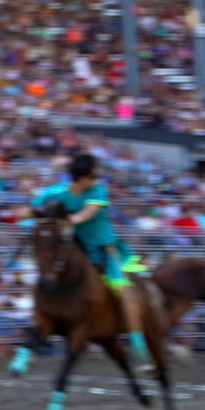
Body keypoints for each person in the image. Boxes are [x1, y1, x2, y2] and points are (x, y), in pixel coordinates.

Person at [29, 150, 149, 365]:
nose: (97, 180)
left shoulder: (98, 191)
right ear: (82, 178)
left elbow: (86, 214)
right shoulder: (56, 192)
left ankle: (136, 338)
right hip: (76, 250)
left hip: (103, 249)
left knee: (122, 289)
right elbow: (30, 208)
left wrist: (66, 220)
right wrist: (33, 213)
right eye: (93, 176)